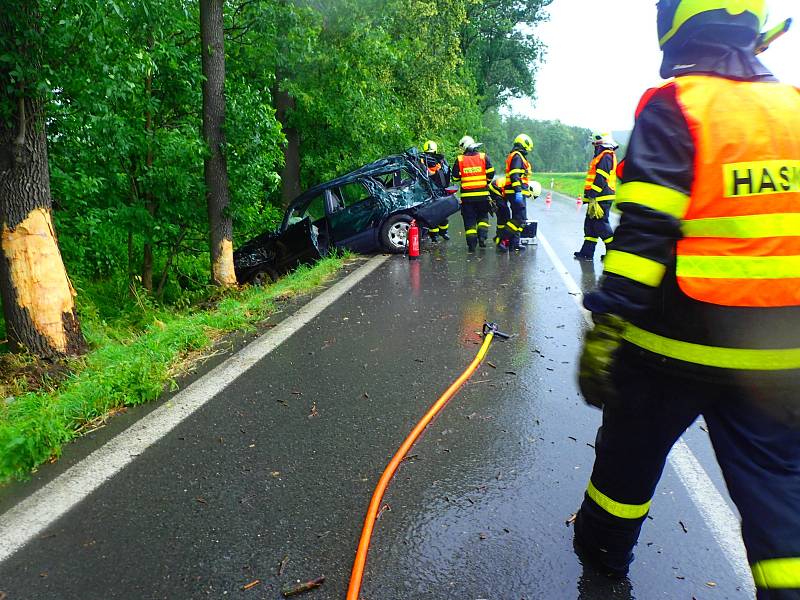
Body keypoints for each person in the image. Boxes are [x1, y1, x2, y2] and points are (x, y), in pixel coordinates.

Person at [573, 3, 800, 598]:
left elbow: (645, 231)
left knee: (627, 461)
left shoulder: (679, 105)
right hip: (779, 361)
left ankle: (601, 561)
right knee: (779, 493)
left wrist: (608, 321)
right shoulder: (796, 109)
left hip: (669, 349)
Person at [573, 132, 618, 261]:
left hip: (601, 197)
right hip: (596, 198)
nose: (594, 146)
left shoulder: (606, 156)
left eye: (596, 143)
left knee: (601, 225)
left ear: (601, 142)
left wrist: (593, 193)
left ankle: (613, 254)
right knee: (590, 226)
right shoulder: (601, 155)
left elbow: (601, 177)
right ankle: (587, 253)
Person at [451, 135, 494, 252]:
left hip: (467, 198)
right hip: (483, 196)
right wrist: (486, 183)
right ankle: (483, 238)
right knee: (483, 216)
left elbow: (454, 177)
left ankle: (472, 245)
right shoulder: (483, 157)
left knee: (469, 221)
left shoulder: (460, 159)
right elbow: (491, 173)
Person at [501, 134, 534, 252]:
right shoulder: (517, 156)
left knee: (518, 218)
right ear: (523, 144)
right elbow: (514, 175)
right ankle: (502, 239)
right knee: (520, 218)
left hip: (516, 191)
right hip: (515, 192)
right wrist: (518, 192)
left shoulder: (517, 156)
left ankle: (514, 243)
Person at [421, 140, 451, 241]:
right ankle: (438, 234)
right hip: (435, 190)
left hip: (433, 190)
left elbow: (446, 174)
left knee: (436, 213)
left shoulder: (438, 160)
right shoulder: (440, 160)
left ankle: (439, 234)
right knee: (438, 212)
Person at [489, 175, 509, 249]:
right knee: (504, 214)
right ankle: (499, 239)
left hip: (498, 190)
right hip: (495, 190)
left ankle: (498, 237)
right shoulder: (516, 185)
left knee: (503, 214)